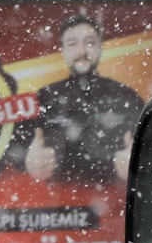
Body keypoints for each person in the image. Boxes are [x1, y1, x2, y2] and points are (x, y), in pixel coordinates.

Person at [11, 15, 144, 187]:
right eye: (73, 44)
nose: (82, 51)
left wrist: (138, 166)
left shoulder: (126, 96)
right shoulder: (44, 97)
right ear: (63, 50)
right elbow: (13, 149)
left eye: (89, 43)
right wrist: (28, 162)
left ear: (100, 48)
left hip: (115, 208)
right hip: (55, 208)